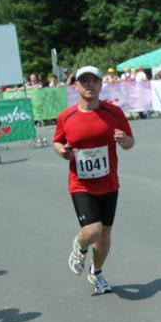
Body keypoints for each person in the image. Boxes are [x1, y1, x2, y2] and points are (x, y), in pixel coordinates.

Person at [52, 66, 134, 295]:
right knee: (93, 230)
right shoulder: (66, 116)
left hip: (109, 182)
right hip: (81, 183)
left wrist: (125, 140)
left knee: (105, 233)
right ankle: (79, 246)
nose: (90, 85)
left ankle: (96, 272)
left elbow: (130, 142)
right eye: (84, 81)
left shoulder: (114, 113)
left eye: (94, 81)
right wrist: (62, 152)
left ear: (100, 85)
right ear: (76, 86)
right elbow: (57, 141)